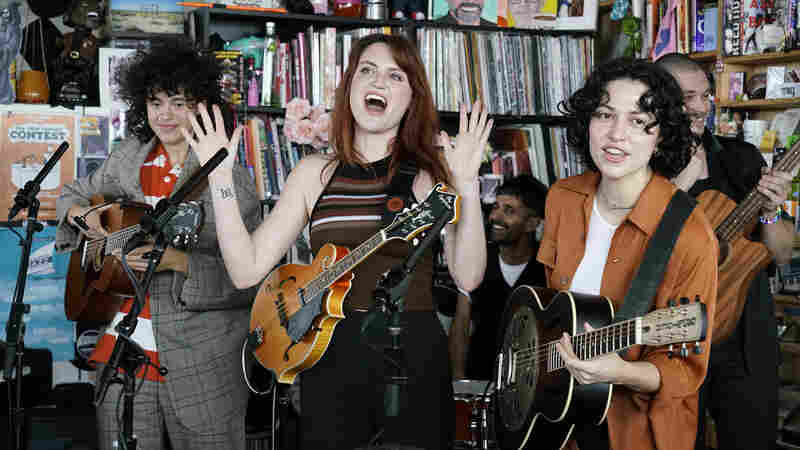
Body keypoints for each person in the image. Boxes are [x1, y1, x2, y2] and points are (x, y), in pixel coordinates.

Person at [184, 33, 492, 450]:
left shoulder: (431, 176)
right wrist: (219, 180)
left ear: (411, 96)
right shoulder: (314, 173)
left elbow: (469, 278)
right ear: (349, 87)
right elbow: (245, 270)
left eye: (394, 75)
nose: (377, 82)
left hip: (412, 353)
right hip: (329, 354)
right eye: (366, 71)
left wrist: (467, 185)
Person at [55, 40, 261, 450]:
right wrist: (86, 217)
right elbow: (71, 195)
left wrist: (179, 262)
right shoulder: (129, 156)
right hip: (122, 343)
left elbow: (250, 281)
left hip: (201, 358)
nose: (164, 114)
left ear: (201, 106)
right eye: (154, 102)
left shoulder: (228, 178)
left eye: (177, 102)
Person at [543, 57, 718, 449]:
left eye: (639, 122)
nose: (616, 134)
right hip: (558, 419)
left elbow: (684, 372)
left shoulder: (690, 233)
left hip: (637, 434)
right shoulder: (562, 198)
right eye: (605, 115)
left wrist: (621, 371)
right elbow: (550, 311)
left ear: (661, 136)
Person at [656, 52, 793, 450]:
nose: (700, 107)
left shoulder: (741, 158)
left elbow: (781, 253)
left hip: (747, 334)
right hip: (673, 336)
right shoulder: (644, 166)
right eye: (686, 99)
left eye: (705, 95)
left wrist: (768, 213)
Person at [450, 174, 549, 380]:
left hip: (531, 382)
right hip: (480, 377)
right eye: (496, 207)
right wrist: (459, 381)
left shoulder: (548, 267)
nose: (495, 216)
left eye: (509, 210)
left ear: (532, 223)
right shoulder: (477, 259)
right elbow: (461, 323)